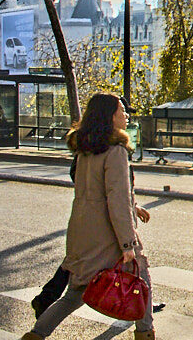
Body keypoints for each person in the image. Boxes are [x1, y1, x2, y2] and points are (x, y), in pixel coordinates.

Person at [22, 93, 154, 340]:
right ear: (110, 116)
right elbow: (116, 199)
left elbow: (99, 192)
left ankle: (36, 335)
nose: (125, 115)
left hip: (83, 231)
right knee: (141, 283)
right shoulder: (116, 151)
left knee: (75, 294)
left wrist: (133, 206)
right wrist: (127, 244)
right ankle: (145, 334)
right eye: (121, 110)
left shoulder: (86, 149)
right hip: (109, 236)